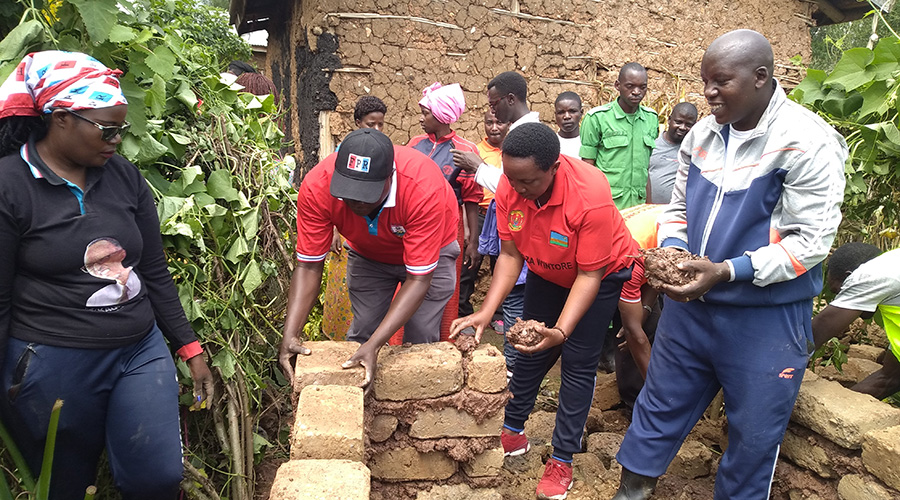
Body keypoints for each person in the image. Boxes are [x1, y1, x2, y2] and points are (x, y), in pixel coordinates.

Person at [613, 30, 848, 500]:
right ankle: (630, 493)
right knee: (658, 407)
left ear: (761, 77)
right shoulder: (700, 136)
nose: (709, 93)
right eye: (705, 82)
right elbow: (677, 207)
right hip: (690, 311)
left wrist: (727, 271)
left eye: (721, 81)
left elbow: (811, 242)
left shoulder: (807, 143)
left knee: (754, 434)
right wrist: (676, 252)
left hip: (765, 318)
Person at [0, 50, 214, 499]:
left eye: (122, 128)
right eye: (107, 128)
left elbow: (153, 269)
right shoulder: (10, 186)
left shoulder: (124, 177)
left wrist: (188, 344)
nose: (116, 139)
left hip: (139, 348)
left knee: (158, 477)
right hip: (52, 361)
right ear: (60, 118)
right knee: (65, 486)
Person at [452, 123, 637, 500]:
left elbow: (589, 275)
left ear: (554, 167)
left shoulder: (590, 196)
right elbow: (509, 254)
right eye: (513, 180)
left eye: (529, 182)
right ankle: (512, 429)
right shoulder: (511, 184)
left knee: (578, 361)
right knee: (529, 347)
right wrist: (486, 312)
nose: (518, 190)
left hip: (599, 274)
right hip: (546, 269)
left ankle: (563, 459)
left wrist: (563, 331)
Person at [279, 128, 459, 389]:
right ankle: (361, 405)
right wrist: (291, 333)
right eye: (348, 192)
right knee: (362, 333)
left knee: (419, 338)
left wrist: (376, 345)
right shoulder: (318, 185)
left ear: (390, 177)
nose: (356, 202)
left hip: (433, 253)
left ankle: (411, 413)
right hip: (368, 255)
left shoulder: (422, 186)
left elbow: (419, 279)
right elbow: (308, 266)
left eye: (367, 194)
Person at [407, 83, 482, 329]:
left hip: (448, 226)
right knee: (411, 277)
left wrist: (473, 241)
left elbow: (471, 198)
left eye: (425, 113)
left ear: (441, 116)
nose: (421, 118)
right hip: (413, 224)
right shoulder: (415, 145)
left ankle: (441, 336)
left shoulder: (464, 150)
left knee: (442, 281)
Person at [322, 96, 389, 340]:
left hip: (371, 235)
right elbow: (336, 199)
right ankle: (341, 341)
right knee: (347, 293)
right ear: (358, 122)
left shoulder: (382, 152)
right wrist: (335, 232)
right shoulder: (345, 155)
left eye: (381, 125)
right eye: (371, 124)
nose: (377, 130)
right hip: (348, 236)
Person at [812, 243, 900, 399]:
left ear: (850, 276)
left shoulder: (871, 274)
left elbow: (814, 335)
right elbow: (889, 379)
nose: (841, 300)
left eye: (841, 292)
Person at [579, 63, 658, 209]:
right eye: (630, 86)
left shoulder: (651, 119)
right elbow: (587, 170)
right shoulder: (597, 118)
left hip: (637, 208)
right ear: (617, 85)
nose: (636, 92)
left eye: (642, 87)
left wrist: (648, 207)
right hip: (607, 205)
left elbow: (645, 169)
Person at [452, 71, 541, 194]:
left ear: (510, 99)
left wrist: (477, 167)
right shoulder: (525, 130)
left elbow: (513, 189)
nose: (492, 110)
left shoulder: (526, 136)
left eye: (494, 104)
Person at [646, 102, 697, 204]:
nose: (682, 127)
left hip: (678, 214)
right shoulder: (652, 144)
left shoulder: (694, 152)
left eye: (688, 125)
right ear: (669, 120)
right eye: (678, 122)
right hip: (649, 212)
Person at [554, 91, 583, 158]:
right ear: (555, 115)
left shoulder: (589, 143)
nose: (567, 116)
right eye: (561, 112)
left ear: (581, 113)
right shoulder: (550, 144)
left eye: (572, 111)